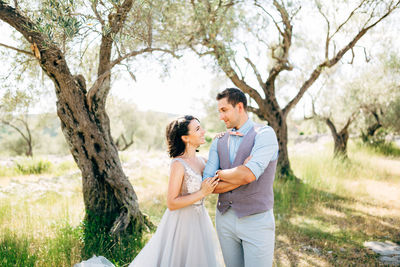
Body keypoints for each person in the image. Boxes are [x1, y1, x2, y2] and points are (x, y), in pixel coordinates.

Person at [129, 115, 223, 267]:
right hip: (181, 224)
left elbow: (223, 173)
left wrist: (222, 142)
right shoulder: (178, 164)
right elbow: (171, 203)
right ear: (185, 137)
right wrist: (202, 193)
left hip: (200, 220)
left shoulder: (203, 161)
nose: (203, 131)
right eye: (198, 129)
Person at [203, 88, 279, 267]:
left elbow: (249, 175)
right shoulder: (218, 141)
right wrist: (240, 174)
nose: (221, 117)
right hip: (224, 220)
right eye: (219, 111)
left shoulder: (265, 134)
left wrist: (220, 175)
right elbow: (207, 184)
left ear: (239, 107)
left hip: (257, 219)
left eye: (224, 110)